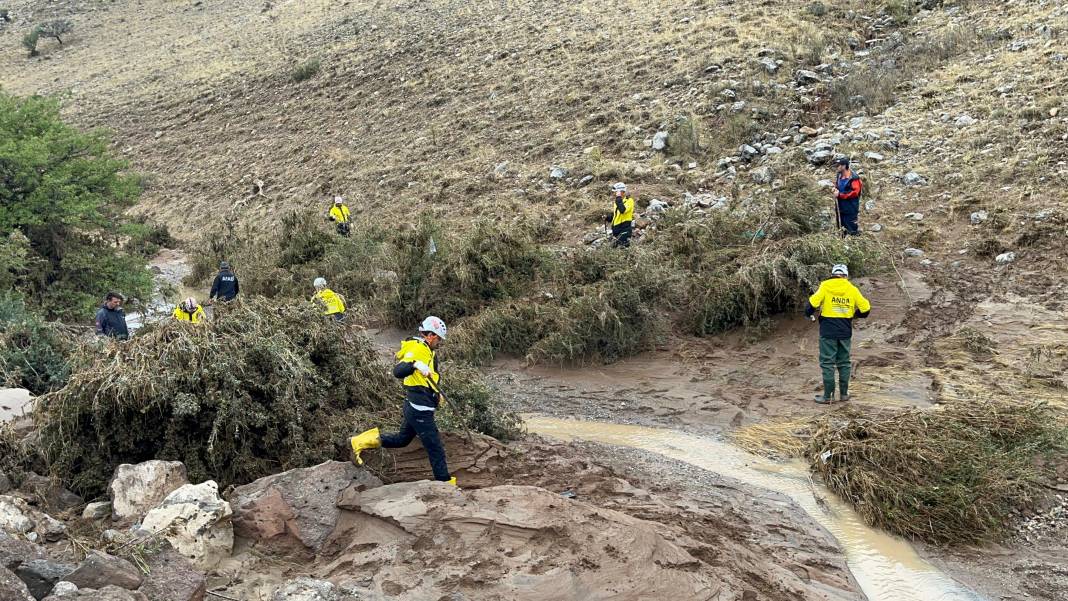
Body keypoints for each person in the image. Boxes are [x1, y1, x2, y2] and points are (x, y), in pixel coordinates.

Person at [350, 317, 456, 485]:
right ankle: (445, 484)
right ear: (430, 335)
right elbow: (398, 371)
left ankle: (360, 441)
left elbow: (429, 377)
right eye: (439, 338)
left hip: (415, 405)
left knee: (402, 439)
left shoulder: (428, 349)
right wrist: (414, 365)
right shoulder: (417, 349)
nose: (440, 342)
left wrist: (436, 393)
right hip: (420, 409)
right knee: (435, 448)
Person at [805, 264, 871, 404]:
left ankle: (828, 396)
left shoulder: (825, 285)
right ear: (846, 276)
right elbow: (866, 309)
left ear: (833, 274)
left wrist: (808, 314)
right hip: (845, 331)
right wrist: (855, 315)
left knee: (827, 363)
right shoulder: (852, 289)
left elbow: (812, 304)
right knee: (844, 363)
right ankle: (844, 394)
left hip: (828, 331)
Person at [833, 157, 862, 236]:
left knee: (851, 228)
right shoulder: (839, 175)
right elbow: (837, 185)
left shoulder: (854, 178)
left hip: (850, 208)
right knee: (841, 228)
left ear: (844, 166)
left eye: (838, 165)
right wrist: (835, 188)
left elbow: (855, 193)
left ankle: (854, 243)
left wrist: (840, 195)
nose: (836, 167)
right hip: (840, 207)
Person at [609, 182, 635, 247]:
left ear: (620, 191)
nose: (614, 194)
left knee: (622, 248)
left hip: (624, 229)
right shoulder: (618, 201)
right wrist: (608, 218)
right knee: (615, 250)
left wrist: (618, 198)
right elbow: (617, 215)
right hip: (616, 229)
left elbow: (622, 210)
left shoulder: (629, 201)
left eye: (615, 192)